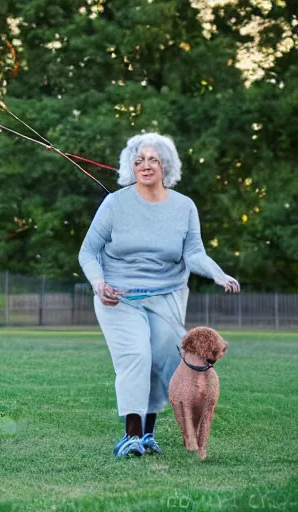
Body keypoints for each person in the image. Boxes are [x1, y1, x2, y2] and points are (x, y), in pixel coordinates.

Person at [78, 132, 240, 457]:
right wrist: (98, 283)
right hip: (118, 296)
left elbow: (193, 253)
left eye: (153, 159)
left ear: (165, 165)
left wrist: (217, 273)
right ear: (131, 166)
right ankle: (132, 435)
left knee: (164, 362)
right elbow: (88, 252)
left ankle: (148, 435)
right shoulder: (115, 203)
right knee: (136, 355)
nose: (146, 165)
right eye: (139, 160)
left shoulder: (184, 207)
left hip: (167, 294)